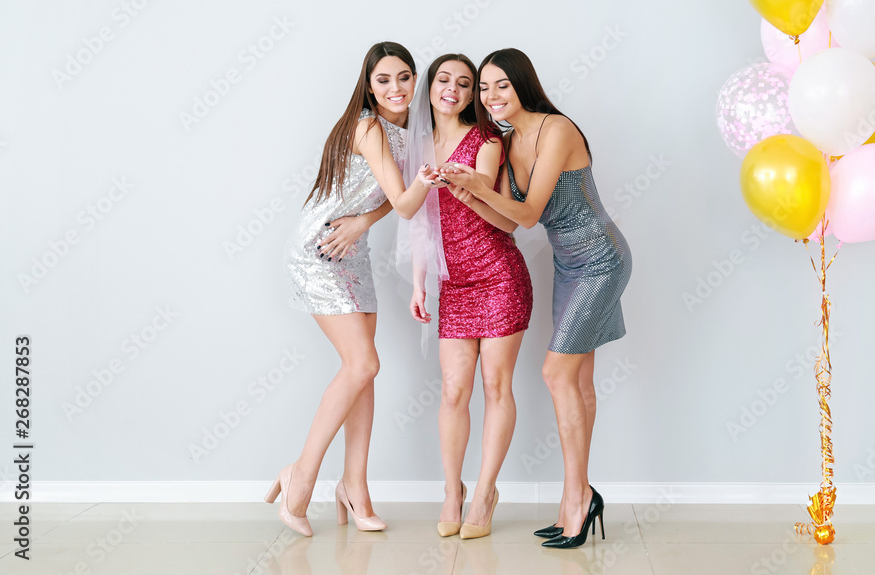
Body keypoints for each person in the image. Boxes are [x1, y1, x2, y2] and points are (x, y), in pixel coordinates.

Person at [440, 48, 631, 549]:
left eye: (501, 85)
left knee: (555, 373)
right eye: (483, 88)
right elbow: (504, 218)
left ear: (524, 84)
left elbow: (527, 217)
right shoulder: (506, 140)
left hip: (601, 260)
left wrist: (480, 182)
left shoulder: (556, 130)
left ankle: (576, 498)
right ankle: (579, 496)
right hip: (568, 266)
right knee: (579, 381)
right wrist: (465, 190)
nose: (490, 96)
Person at [266, 42, 443, 537]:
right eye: (384, 80)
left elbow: (391, 199)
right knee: (363, 363)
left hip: (353, 249)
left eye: (404, 77)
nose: (396, 88)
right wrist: (425, 183)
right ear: (369, 86)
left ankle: (354, 487)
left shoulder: (412, 130)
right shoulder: (367, 124)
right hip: (321, 250)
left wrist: (365, 219)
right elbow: (408, 204)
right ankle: (300, 477)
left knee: (361, 371)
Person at [401, 53, 533, 539]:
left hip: (498, 275)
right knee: (454, 391)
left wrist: (462, 187)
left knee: (497, 386)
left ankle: (483, 495)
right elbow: (418, 222)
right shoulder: (418, 147)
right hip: (452, 284)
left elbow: (503, 218)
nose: (453, 89)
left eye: (465, 82)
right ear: (429, 88)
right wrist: (419, 282)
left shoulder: (487, 140)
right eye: (444, 80)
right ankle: (452, 491)